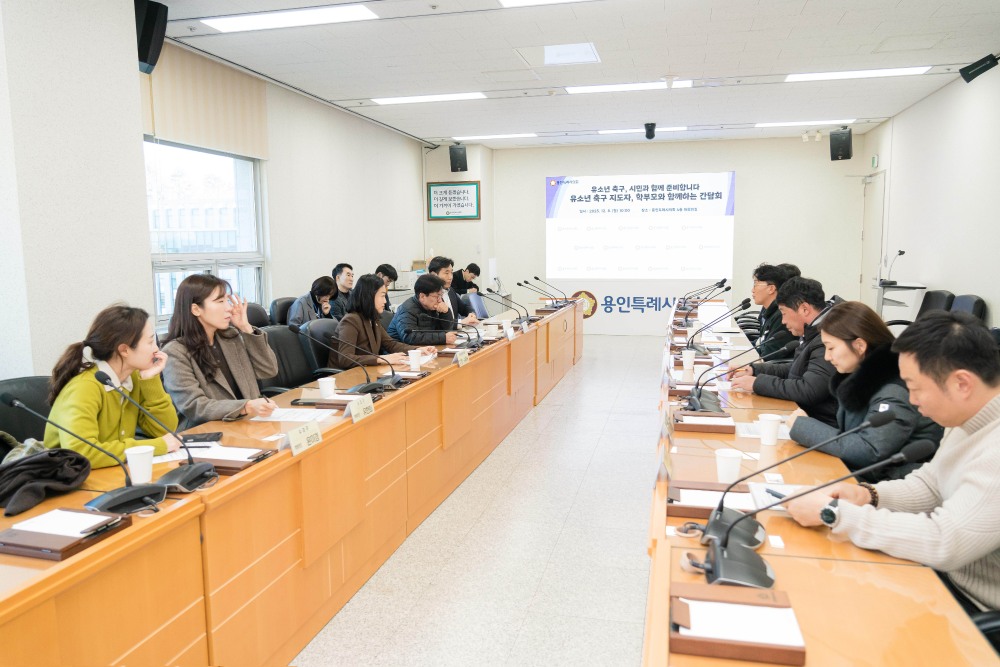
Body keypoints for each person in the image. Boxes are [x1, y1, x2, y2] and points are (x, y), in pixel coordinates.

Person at [785, 311, 1000, 613]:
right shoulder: (966, 420)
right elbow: (930, 485)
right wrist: (869, 495)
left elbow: (944, 541)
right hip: (942, 579)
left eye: (915, 387)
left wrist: (835, 514)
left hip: (974, 608)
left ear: (961, 383)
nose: (911, 400)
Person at [787, 301, 942, 482]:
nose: (827, 357)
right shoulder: (860, 378)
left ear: (860, 346)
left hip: (887, 489)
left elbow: (870, 450)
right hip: (860, 476)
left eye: (831, 348)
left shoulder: (894, 389)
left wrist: (804, 426)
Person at [44, 305, 181, 468]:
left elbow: (164, 431)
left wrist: (151, 379)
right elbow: (81, 453)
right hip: (67, 477)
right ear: (124, 350)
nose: (156, 349)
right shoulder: (84, 388)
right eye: (150, 342)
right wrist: (155, 447)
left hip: (110, 471)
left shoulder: (134, 378)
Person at [161, 274, 280, 430]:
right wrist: (246, 406)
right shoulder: (175, 352)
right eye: (220, 301)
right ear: (196, 309)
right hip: (208, 433)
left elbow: (268, 369)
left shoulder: (231, 337)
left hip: (247, 424)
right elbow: (194, 405)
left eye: (227, 300)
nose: (229, 308)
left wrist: (245, 328)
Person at [730, 277, 838, 427]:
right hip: (803, 415)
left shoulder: (827, 337)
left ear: (805, 309)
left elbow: (809, 390)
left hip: (820, 424)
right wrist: (755, 370)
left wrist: (757, 383)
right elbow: (798, 368)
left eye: (784, 313)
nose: (783, 321)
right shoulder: (815, 329)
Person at [330, 274, 437, 369]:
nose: (385, 301)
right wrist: (381, 359)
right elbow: (345, 359)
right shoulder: (351, 321)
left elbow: (391, 344)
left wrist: (418, 350)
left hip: (365, 372)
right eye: (382, 296)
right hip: (344, 378)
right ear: (369, 297)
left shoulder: (372, 318)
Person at [387, 274, 459, 346]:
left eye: (441, 295)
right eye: (437, 296)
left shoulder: (432, 306)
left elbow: (444, 330)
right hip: (399, 353)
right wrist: (442, 338)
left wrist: (445, 313)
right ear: (422, 296)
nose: (440, 300)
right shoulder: (407, 310)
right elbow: (410, 337)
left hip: (424, 350)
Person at [747, 263, 796, 357]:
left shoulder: (781, 315)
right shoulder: (769, 310)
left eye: (756, 284)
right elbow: (762, 342)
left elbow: (770, 355)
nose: (752, 290)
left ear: (771, 289)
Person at [428, 256, 479, 326]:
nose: (450, 277)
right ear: (434, 275)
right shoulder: (429, 295)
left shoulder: (450, 291)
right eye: (446, 273)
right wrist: (461, 322)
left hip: (457, 333)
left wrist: (471, 314)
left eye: (451, 272)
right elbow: (438, 323)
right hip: (442, 335)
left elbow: (464, 307)